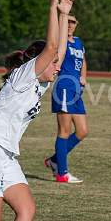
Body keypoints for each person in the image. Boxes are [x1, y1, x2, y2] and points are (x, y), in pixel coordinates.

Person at [0, 0, 74, 221]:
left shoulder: (41, 83)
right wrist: (52, 8)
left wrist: (64, 14)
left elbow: (60, 52)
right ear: (37, 61)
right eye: (52, 62)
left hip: (6, 155)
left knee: (26, 210)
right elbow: (53, 47)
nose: (58, 67)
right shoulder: (24, 75)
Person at [44, 14, 87, 183]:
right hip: (63, 89)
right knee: (64, 131)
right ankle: (62, 173)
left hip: (76, 91)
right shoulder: (60, 43)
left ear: (77, 24)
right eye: (67, 21)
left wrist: (84, 77)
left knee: (83, 131)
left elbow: (83, 61)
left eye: (73, 22)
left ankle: (54, 160)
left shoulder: (78, 42)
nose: (70, 24)